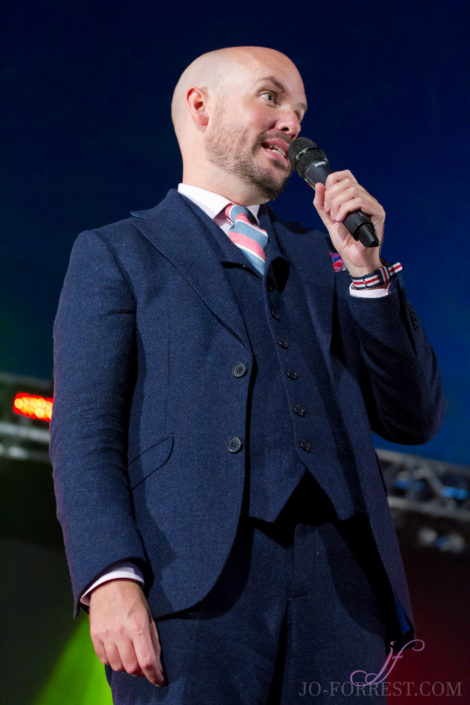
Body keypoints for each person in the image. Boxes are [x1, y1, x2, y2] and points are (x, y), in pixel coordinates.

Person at [50, 46, 444, 704]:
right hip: (191, 591)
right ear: (200, 108)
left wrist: (367, 270)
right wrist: (110, 577)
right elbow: (86, 431)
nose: (293, 121)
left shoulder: (331, 260)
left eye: (300, 110)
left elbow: (414, 416)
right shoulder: (119, 252)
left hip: (343, 600)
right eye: (271, 97)